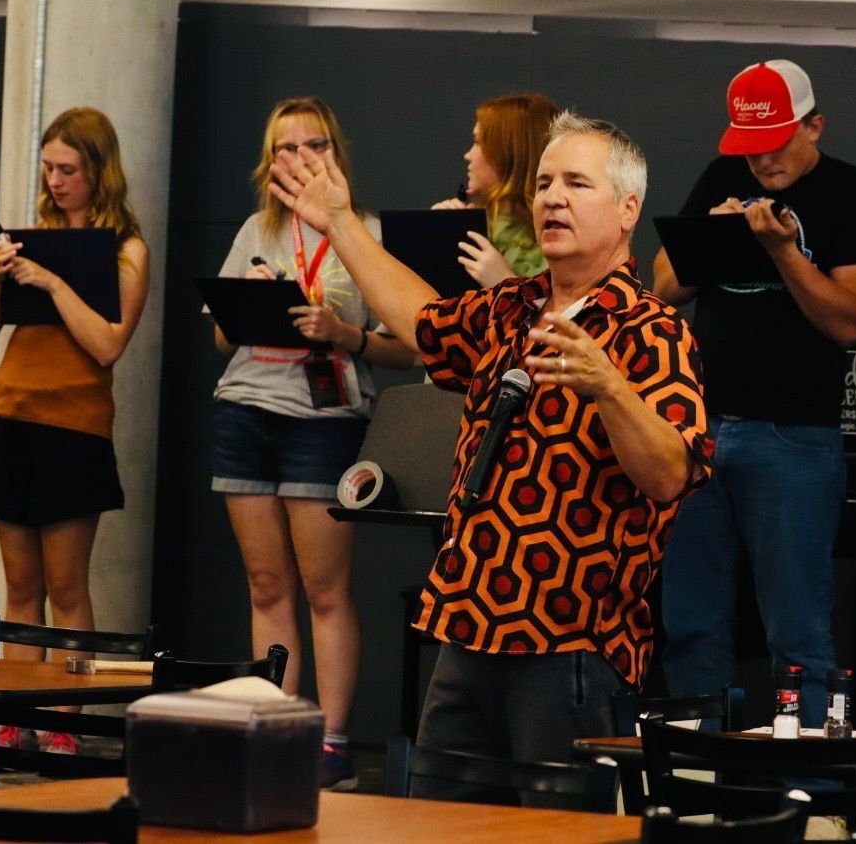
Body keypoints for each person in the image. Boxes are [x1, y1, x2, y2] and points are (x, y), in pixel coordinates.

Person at [271, 112, 711, 805]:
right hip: (467, 628)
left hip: (567, 647)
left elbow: (668, 475)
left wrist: (607, 387)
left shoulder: (649, 331)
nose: (551, 198)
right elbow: (421, 322)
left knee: (554, 832)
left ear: (627, 211)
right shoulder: (513, 307)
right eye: (541, 184)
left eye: (574, 183)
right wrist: (340, 223)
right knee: (439, 826)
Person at [654, 60, 856, 726]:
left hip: (792, 436)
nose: (760, 160)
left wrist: (785, 253)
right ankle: (695, 783)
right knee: (691, 624)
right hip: (699, 431)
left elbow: (847, 321)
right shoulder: (722, 174)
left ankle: (808, 798)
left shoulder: (851, 194)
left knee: (796, 635)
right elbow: (665, 286)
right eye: (747, 145)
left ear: (813, 125)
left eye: (776, 142)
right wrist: (715, 238)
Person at [208, 97, 417, 791]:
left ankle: (330, 739)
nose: (297, 158)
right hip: (246, 406)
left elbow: (405, 349)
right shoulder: (254, 230)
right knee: (267, 586)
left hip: (324, 420)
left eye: (312, 145)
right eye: (284, 148)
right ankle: (277, 728)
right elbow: (219, 335)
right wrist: (257, 299)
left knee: (325, 588)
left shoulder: (367, 233)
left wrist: (342, 332)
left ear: (336, 152)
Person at [0, 107, 150, 755]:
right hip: (11, 418)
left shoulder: (125, 249)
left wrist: (51, 280)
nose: (56, 180)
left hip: (74, 430)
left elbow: (106, 344)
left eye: (68, 169)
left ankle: (64, 717)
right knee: (19, 587)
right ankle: (17, 711)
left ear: (99, 171)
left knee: (67, 585)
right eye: (48, 168)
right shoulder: (35, 236)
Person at [432, 93, 560, 285]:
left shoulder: (561, 242)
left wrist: (505, 283)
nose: (468, 155)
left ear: (508, 153)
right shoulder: (476, 225)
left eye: (478, 142)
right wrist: (437, 232)